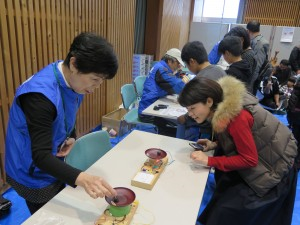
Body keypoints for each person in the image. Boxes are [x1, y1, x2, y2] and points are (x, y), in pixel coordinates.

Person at [5, 32, 119, 214]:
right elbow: (40, 156)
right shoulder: (39, 97)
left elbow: (66, 114)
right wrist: (83, 178)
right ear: (74, 64)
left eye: (101, 81)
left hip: (51, 158)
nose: (96, 87)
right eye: (95, 79)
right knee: (48, 214)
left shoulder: (72, 81)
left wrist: (71, 137)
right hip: (30, 170)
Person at [178, 76, 298, 225]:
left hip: (277, 170)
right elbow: (240, 138)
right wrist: (214, 144)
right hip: (268, 154)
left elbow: (249, 159)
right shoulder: (223, 105)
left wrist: (208, 160)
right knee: (223, 179)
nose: (190, 114)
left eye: (192, 108)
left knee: (226, 211)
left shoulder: (236, 117)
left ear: (209, 101)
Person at [177, 41, 226, 140]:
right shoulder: (220, 70)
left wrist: (185, 117)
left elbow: (199, 110)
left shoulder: (200, 79)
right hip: (218, 127)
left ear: (192, 61)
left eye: (187, 65)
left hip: (202, 129)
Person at [138, 48, 186, 137]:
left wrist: (177, 72)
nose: (179, 66)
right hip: (148, 110)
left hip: (153, 104)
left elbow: (171, 84)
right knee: (177, 126)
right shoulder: (161, 69)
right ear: (170, 61)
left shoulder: (161, 66)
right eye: (178, 63)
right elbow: (177, 84)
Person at [225, 26, 258, 93]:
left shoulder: (248, 55)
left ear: (241, 40)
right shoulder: (245, 53)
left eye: (232, 42)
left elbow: (243, 81)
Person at [247, 20, 270, 94]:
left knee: (249, 97)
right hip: (252, 74)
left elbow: (257, 65)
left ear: (248, 30)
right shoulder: (256, 40)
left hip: (253, 77)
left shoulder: (260, 43)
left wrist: (250, 82)